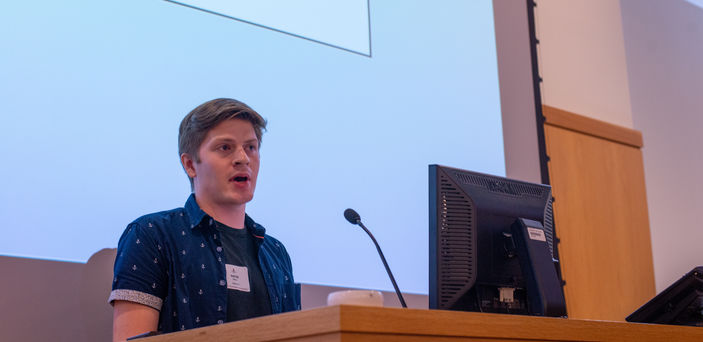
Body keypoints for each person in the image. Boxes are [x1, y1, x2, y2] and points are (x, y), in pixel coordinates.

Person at [109, 98, 299, 342]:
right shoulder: (151, 235)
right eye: (225, 148)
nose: (243, 158)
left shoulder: (275, 253)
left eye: (251, 147)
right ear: (190, 164)